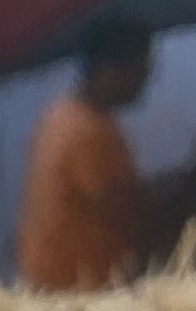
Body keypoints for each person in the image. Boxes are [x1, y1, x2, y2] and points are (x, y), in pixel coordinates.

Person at [18, 14, 155, 290]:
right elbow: (126, 212)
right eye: (141, 71)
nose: (145, 82)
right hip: (77, 295)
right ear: (110, 69)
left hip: (47, 287)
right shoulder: (90, 132)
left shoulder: (59, 115)